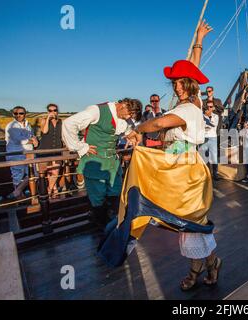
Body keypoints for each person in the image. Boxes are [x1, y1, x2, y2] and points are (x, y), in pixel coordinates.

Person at [99, 21, 222, 291]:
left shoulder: (189, 109)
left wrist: (136, 130)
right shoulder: (192, 100)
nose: (177, 86)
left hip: (185, 168)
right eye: (174, 82)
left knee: (188, 222)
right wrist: (199, 40)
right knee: (189, 222)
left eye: (181, 82)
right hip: (180, 164)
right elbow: (194, 67)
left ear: (190, 85)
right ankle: (211, 263)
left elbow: (156, 125)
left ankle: (197, 270)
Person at [62, 98, 142, 228]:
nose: (128, 117)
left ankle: (113, 225)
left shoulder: (124, 117)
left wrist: (131, 136)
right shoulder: (97, 111)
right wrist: (81, 147)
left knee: (115, 192)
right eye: (128, 114)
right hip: (95, 161)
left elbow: (125, 130)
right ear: (123, 105)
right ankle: (100, 226)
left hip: (112, 163)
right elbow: (68, 123)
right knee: (97, 196)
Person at [5, 106, 38, 199]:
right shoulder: (11, 126)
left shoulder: (28, 125)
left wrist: (34, 140)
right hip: (16, 154)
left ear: (25, 114)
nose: (18, 115)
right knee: (17, 176)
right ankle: (19, 198)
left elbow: (32, 136)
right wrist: (32, 141)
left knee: (34, 174)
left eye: (21, 113)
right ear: (13, 114)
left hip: (29, 153)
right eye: (16, 113)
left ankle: (17, 192)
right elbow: (19, 140)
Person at [37, 104, 64, 198]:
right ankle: (55, 188)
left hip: (57, 148)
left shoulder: (61, 122)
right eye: (50, 110)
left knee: (55, 172)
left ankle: (49, 190)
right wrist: (48, 119)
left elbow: (63, 135)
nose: (52, 112)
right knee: (49, 172)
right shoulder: (43, 120)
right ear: (47, 112)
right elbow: (44, 131)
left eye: (55, 110)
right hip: (45, 149)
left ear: (57, 111)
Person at [199, 100, 219, 180]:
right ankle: (207, 174)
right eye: (207, 107)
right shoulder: (201, 116)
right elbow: (201, 126)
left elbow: (213, 125)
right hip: (204, 138)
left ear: (213, 108)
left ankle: (215, 174)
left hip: (213, 138)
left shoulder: (215, 116)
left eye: (211, 107)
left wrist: (208, 120)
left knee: (214, 157)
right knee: (204, 157)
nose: (209, 108)